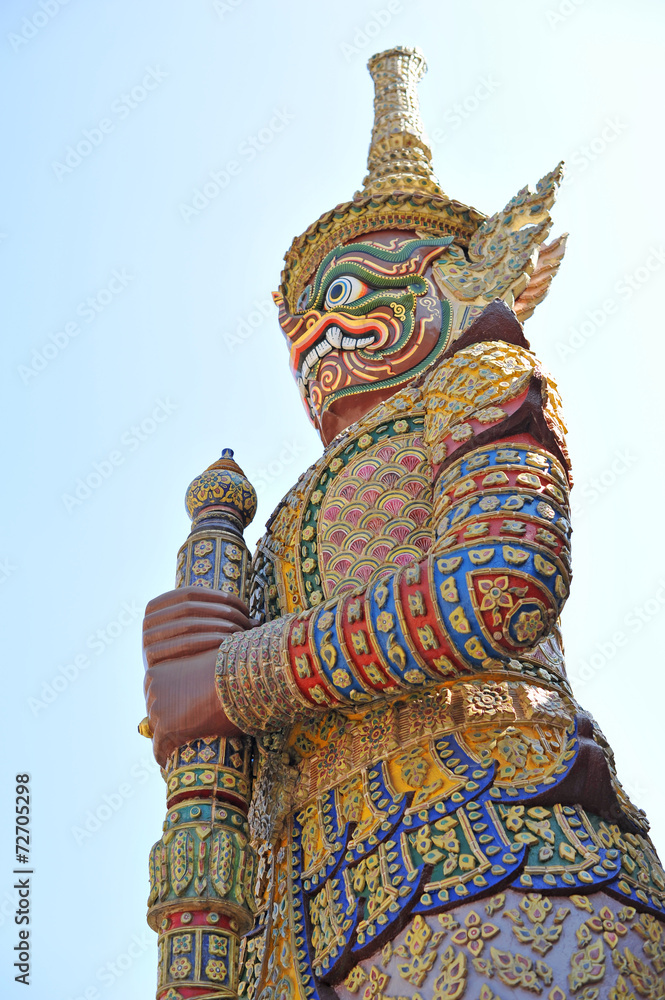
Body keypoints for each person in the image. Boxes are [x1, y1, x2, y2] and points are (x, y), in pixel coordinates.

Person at [144, 46, 665, 1000]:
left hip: (494, 829)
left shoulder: (478, 379)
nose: (317, 334)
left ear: (452, 284)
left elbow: (499, 585)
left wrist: (226, 677)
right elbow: (224, 747)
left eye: (344, 294)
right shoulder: (277, 527)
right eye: (300, 320)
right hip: (297, 907)